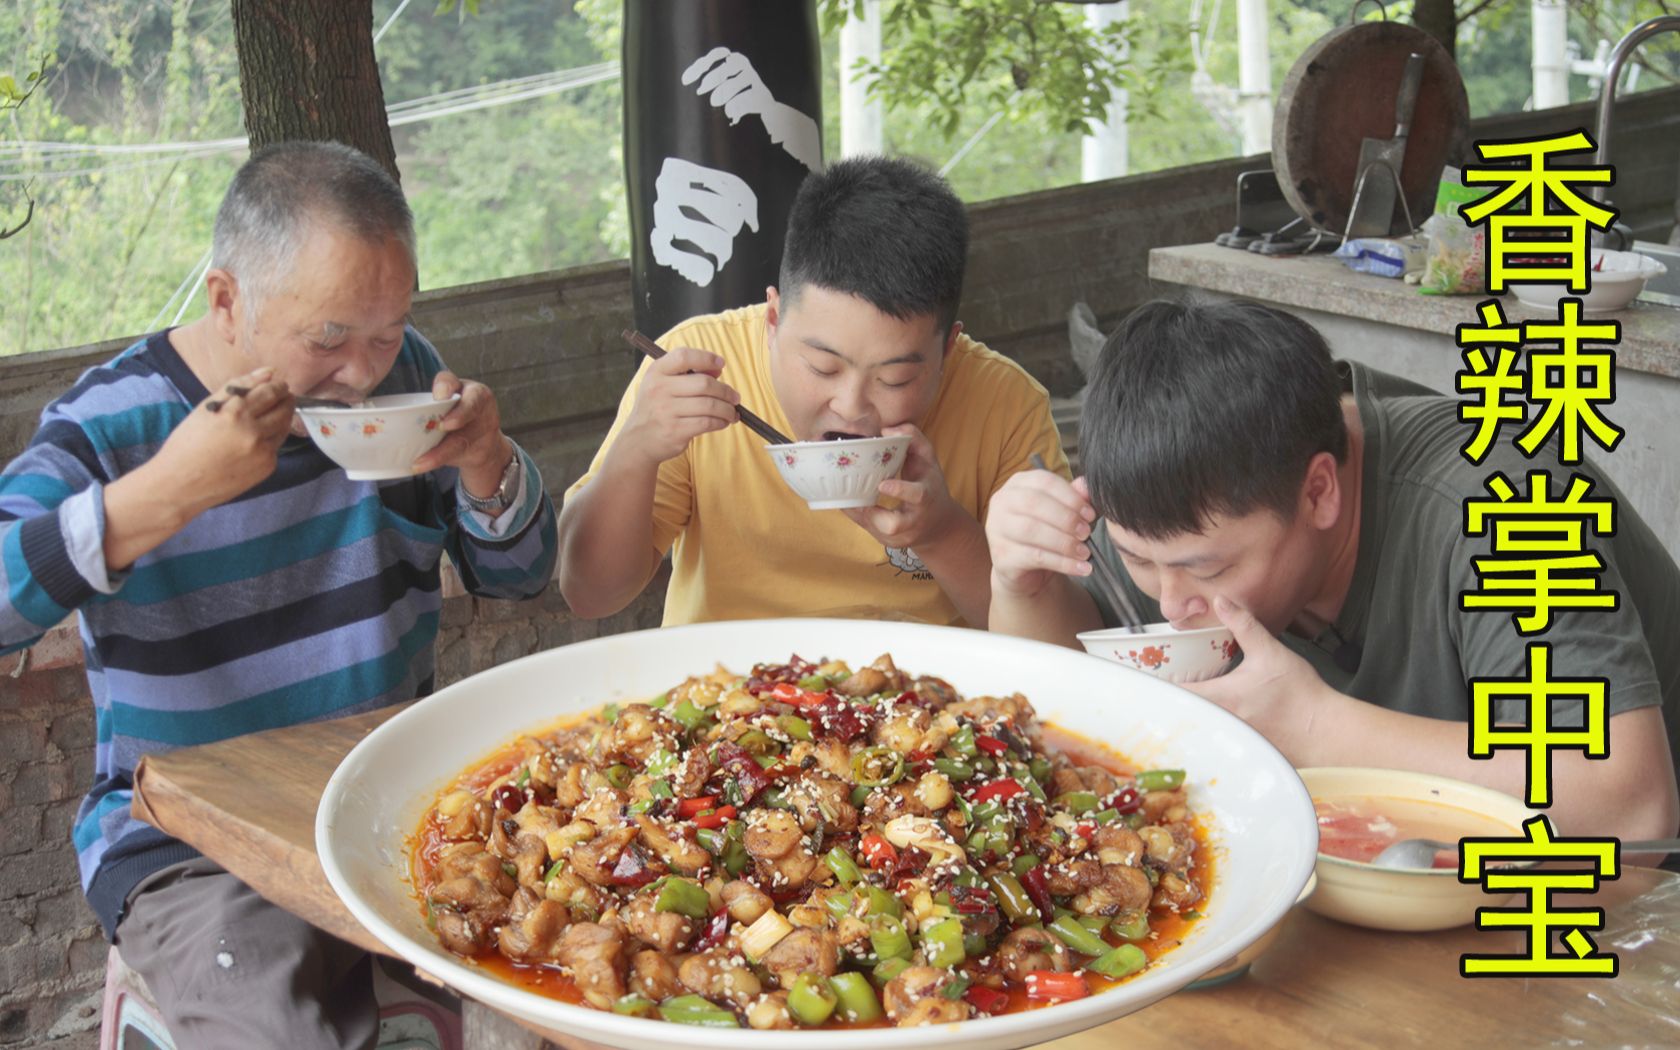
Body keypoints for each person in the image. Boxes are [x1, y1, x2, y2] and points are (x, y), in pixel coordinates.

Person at [0, 141, 558, 1048]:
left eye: (387, 331)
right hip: (192, 850)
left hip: (398, 808)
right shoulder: (115, 421)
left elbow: (521, 574)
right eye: (329, 338)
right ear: (227, 301)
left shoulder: (411, 379)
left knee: (564, 988)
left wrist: (489, 463)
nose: (364, 372)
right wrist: (167, 492)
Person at [985, 296, 1680, 842]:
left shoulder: (1506, 504)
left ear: (1320, 491)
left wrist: (1319, 730)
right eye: (1137, 560)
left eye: (1208, 569)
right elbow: (1054, 727)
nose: (1171, 605)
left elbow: (1629, 802)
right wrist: (1022, 583)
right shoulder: (1179, 501)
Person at [557, 155, 1068, 627]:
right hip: (726, 702)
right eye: (823, 367)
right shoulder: (696, 368)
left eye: (895, 379)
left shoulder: (1006, 405)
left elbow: (1061, 645)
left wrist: (941, 534)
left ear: (948, 351)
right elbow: (590, 595)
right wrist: (638, 450)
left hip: (927, 710)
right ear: (774, 319)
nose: (850, 406)